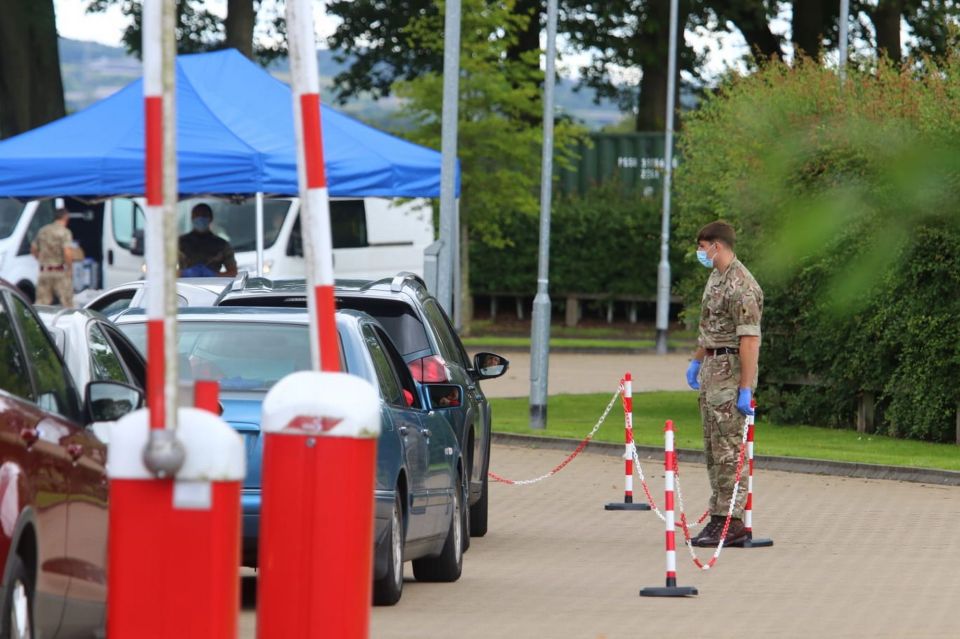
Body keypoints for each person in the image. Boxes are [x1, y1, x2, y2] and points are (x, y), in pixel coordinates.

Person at [684, 221, 763, 547]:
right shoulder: (716, 278)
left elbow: (749, 340)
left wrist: (745, 387)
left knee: (730, 450)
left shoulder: (742, 286)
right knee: (714, 448)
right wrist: (697, 359)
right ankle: (718, 517)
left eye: (703, 247)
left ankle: (731, 521)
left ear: (717, 245)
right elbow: (712, 327)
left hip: (731, 371)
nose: (700, 253)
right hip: (713, 368)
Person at [178, 203, 238, 277]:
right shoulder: (180, 243)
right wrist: (184, 273)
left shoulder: (222, 245)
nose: (200, 218)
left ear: (211, 218)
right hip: (185, 286)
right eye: (197, 215)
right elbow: (165, 270)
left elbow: (233, 273)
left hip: (213, 286)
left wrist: (214, 275)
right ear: (192, 218)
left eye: (204, 215)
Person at [31, 207, 75, 307]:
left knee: (42, 305)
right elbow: (67, 253)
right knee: (67, 303)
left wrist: (41, 258)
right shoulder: (65, 232)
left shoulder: (43, 230)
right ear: (66, 217)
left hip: (45, 271)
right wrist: (70, 269)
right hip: (59, 271)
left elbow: (33, 249)